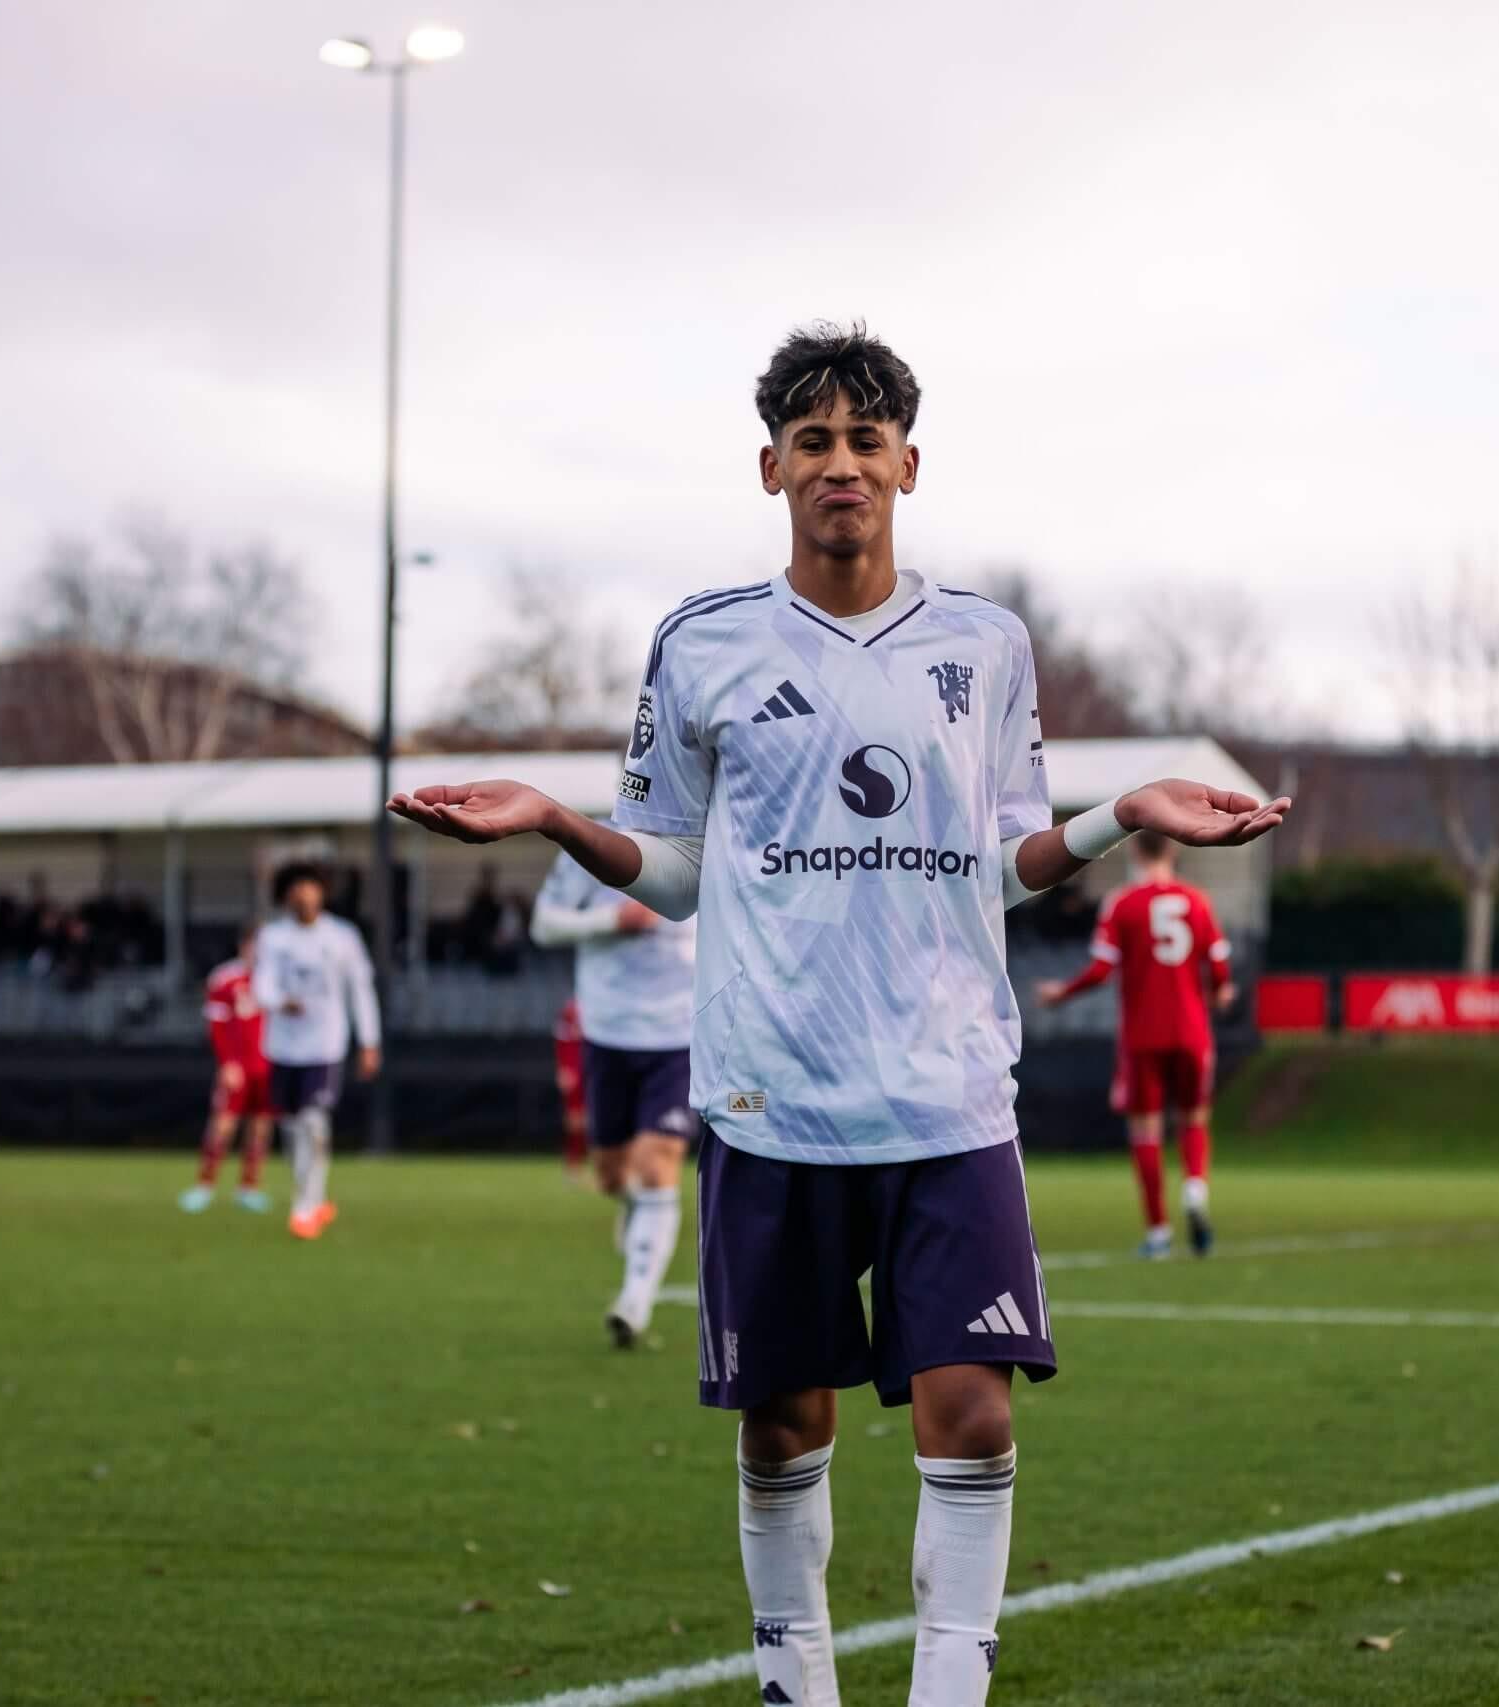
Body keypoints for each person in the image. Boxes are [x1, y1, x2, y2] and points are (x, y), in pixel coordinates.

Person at [386, 322, 1291, 1707]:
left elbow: (1002, 861)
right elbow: (675, 872)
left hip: (948, 1092)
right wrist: (557, 820)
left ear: (908, 464)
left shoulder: (985, 644)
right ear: (772, 468)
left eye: (867, 439)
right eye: (812, 441)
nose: (841, 464)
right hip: (772, 1097)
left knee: (971, 1416)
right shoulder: (702, 641)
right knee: (781, 1429)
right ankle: (796, 1688)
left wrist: (1120, 814)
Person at [1034, 831, 1237, 1257]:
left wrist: (1061, 993)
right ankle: (1194, 1192)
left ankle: (1159, 1232)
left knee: (1145, 1129)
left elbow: (1100, 971)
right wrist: (1220, 993)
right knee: (1194, 1117)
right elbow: (1219, 968)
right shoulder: (1197, 901)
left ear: (1133, 849)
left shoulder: (1122, 903)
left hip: (1143, 1034)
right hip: (1191, 1030)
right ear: (1173, 849)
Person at [531, 849, 701, 1346]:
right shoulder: (591, 846)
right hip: (608, 1032)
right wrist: (612, 920)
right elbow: (543, 926)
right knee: (611, 1174)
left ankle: (634, 1302)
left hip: (680, 1034)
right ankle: (635, 1204)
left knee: (657, 1163)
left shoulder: (706, 841)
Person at [250, 864, 381, 1241]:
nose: (304, 895)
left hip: (325, 1045)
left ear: (322, 892)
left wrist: (369, 1041)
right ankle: (314, 1197)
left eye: (310, 887)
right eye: (296, 888)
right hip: (283, 1046)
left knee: (314, 1121)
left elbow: (360, 989)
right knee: (291, 1128)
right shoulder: (273, 937)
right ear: (285, 895)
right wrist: (280, 1002)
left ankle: (304, 1208)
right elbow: (262, 984)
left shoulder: (342, 936)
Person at [182, 921, 274, 1215]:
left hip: (269, 1065)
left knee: (260, 1127)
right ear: (244, 945)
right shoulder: (225, 978)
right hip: (238, 1066)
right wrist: (227, 1062)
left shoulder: (275, 979)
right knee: (223, 1124)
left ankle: (249, 1186)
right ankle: (205, 1184)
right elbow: (217, 1025)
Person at [553, 999, 590, 1172]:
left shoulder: (602, 1008)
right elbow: (562, 1042)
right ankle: (574, 1161)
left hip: (594, 1071)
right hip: (575, 1072)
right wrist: (563, 1068)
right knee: (575, 1121)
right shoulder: (569, 1011)